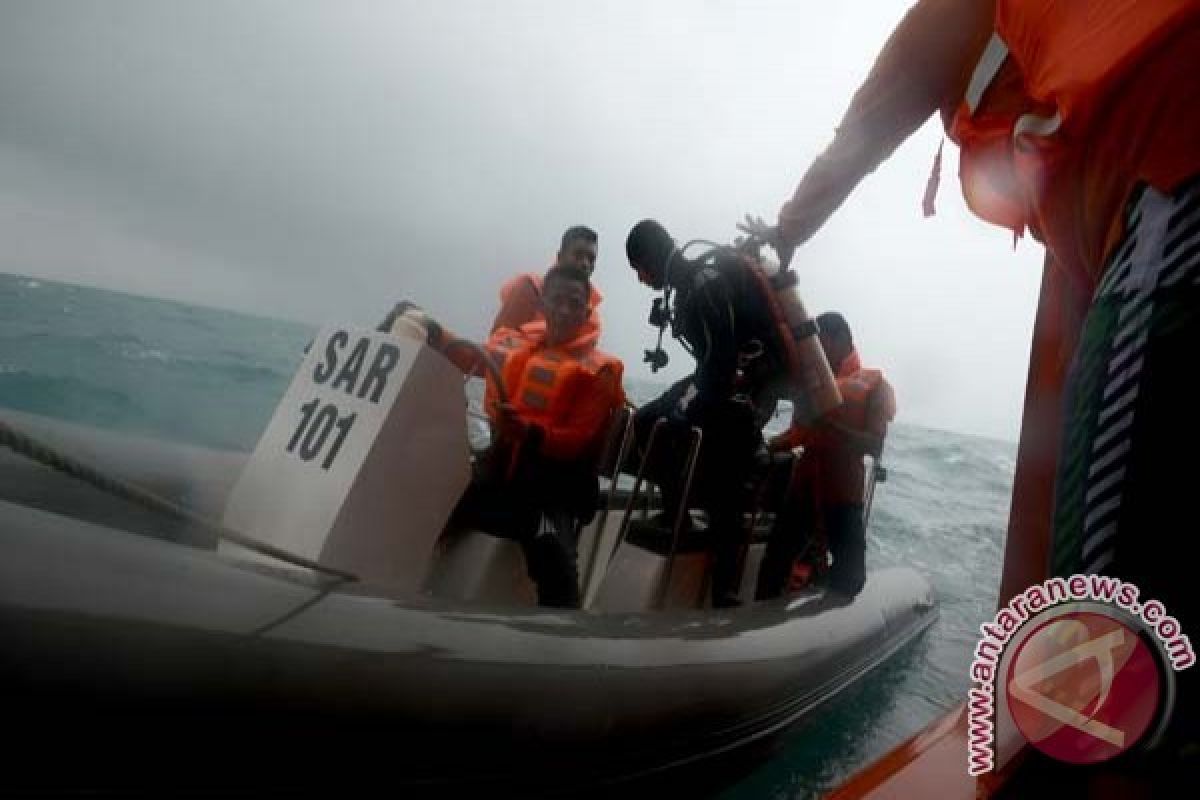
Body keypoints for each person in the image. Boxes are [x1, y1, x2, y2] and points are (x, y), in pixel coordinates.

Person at [739, 0, 1198, 779]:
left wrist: (783, 232)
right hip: (1150, 201)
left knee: (1094, 616)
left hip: (1171, 185)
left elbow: (865, 129)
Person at [388, 265, 625, 608]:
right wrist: (433, 331)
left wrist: (528, 433)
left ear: (586, 312)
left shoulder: (598, 372)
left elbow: (576, 438)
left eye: (574, 304)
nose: (564, 310)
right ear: (542, 305)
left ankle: (563, 640)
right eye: (557, 300)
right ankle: (392, 586)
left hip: (551, 493)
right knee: (436, 503)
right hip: (500, 480)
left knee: (554, 556)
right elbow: (470, 355)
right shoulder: (517, 349)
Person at [625, 219, 793, 608]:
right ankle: (677, 513)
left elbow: (720, 365)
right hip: (729, 379)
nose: (640, 279)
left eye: (638, 270)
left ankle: (726, 594)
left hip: (750, 387)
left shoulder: (702, 286)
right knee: (648, 420)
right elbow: (712, 363)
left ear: (648, 260)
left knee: (723, 476)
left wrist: (688, 410)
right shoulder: (691, 284)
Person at [755, 312, 895, 600]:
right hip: (803, 488)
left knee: (851, 577)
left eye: (821, 343)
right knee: (774, 561)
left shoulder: (876, 387)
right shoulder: (814, 386)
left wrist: (830, 427)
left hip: (842, 495)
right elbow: (798, 434)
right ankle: (762, 615)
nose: (816, 352)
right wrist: (764, 448)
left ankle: (822, 611)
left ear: (842, 339)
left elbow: (874, 445)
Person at [490, 225, 603, 334]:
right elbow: (498, 343)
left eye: (591, 259)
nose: (585, 263)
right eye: (578, 255)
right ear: (560, 256)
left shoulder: (591, 316)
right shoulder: (531, 288)